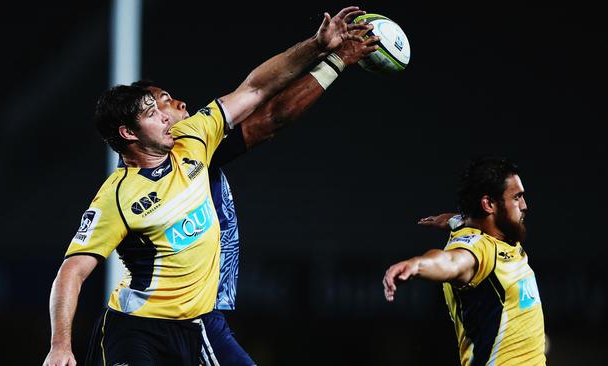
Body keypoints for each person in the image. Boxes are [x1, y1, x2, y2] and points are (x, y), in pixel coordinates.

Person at [42, 6, 372, 366]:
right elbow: (72, 271)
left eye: (161, 106)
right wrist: (60, 344)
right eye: (154, 112)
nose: (169, 115)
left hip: (200, 322)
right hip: (138, 329)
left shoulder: (194, 138)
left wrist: (318, 46)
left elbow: (257, 88)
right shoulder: (117, 197)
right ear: (128, 133)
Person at [131, 32, 378, 365]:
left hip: (182, 314)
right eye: (164, 99)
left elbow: (259, 96)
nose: (180, 104)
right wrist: (334, 59)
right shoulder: (177, 156)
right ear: (139, 122)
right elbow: (269, 114)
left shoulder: (173, 157)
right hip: (182, 316)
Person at [382, 156, 545, 365]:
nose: (524, 205)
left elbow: (467, 223)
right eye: (516, 198)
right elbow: (450, 262)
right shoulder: (480, 249)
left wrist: (454, 219)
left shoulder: (501, 236)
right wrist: (417, 265)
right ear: (489, 205)